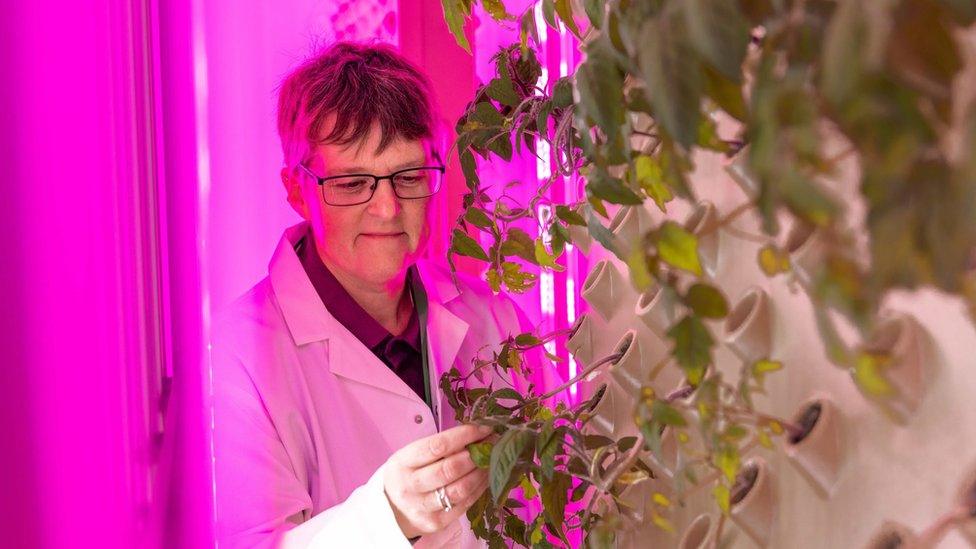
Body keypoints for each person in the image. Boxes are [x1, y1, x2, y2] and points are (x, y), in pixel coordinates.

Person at [211, 42, 557, 548]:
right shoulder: (235, 359)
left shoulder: (495, 320)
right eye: (353, 183)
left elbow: (557, 500)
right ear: (297, 190)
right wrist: (389, 515)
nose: (388, 209)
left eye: (409, 177)